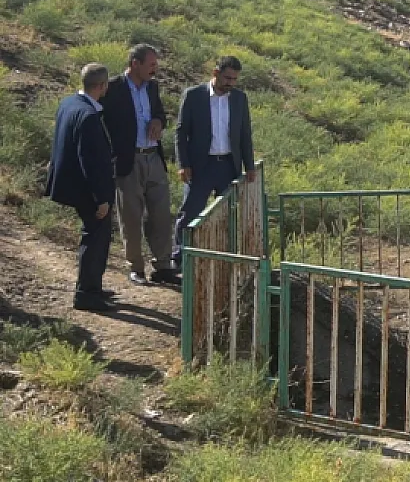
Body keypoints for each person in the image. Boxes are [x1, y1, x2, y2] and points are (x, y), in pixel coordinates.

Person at [101, 44, 179, 286]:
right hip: (128, 161)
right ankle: (136, 267)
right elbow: (100, 121)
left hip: (153, 157)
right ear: (135, 64)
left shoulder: (152, 87)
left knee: (161, 214)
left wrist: (158, 121)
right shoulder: (112, 88)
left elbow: (160, 113)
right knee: (131, 217)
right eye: (151, 64)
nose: (155, 69)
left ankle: (163, 266)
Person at [45, 63, 118, 312]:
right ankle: (86, 294)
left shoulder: (69, 104)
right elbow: (91, 161)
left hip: (72, 184)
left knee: (96, 236)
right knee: (96, 238)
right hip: (87, 189)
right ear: (102, 86)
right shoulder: (88, 116)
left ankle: (92, 286)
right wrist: (101, 198)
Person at [173, 56, 256, 266]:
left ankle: (220, 259)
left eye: (235, 79)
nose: (231, 82)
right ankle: (180, 257)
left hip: (228, 165)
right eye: (227, 77)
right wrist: (183, 164)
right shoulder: (194, 96)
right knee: (190, 212)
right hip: (201, 166)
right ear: (215, 73)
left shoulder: (239, 98)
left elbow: (245, 134)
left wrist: (250, 166)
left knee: (226, 216)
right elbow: (181, 133)